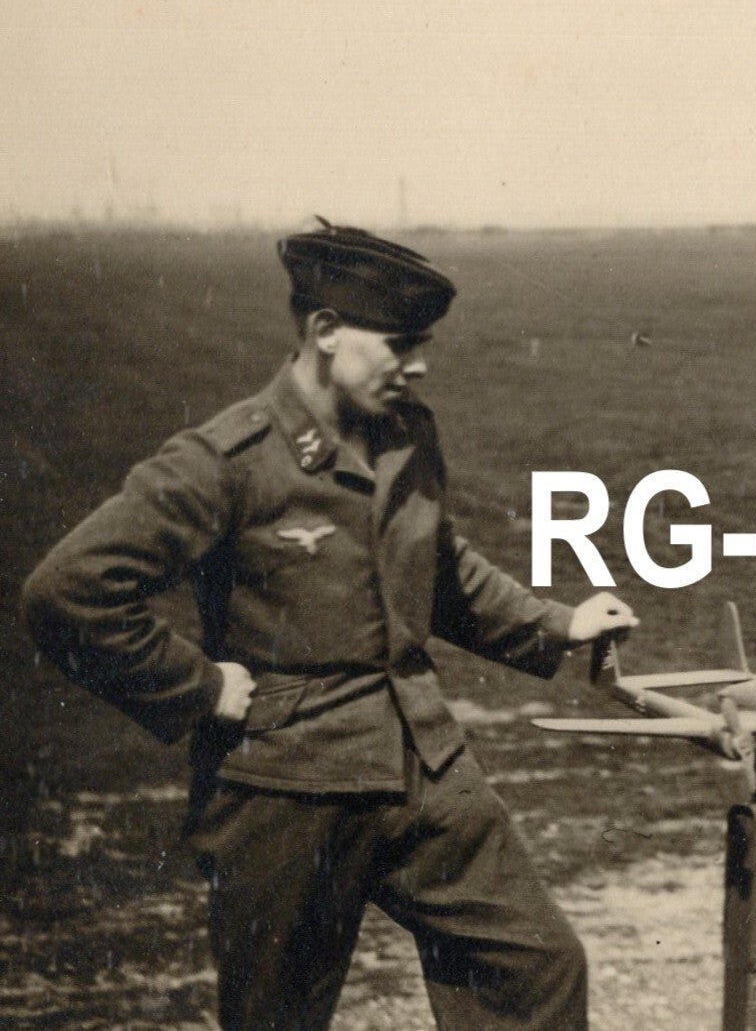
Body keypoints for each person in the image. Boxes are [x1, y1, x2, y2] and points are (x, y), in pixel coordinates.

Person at [21, 217, 635, 1029]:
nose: (418, 364)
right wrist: (197, 686)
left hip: (423, 762)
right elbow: (68, 589)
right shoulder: (226, 459)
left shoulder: (407, 434)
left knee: (534, 964)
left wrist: (560, 626)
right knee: (278, 1016)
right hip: (287, 785)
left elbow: (439, 570)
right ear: (324, 330)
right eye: (401, 342)